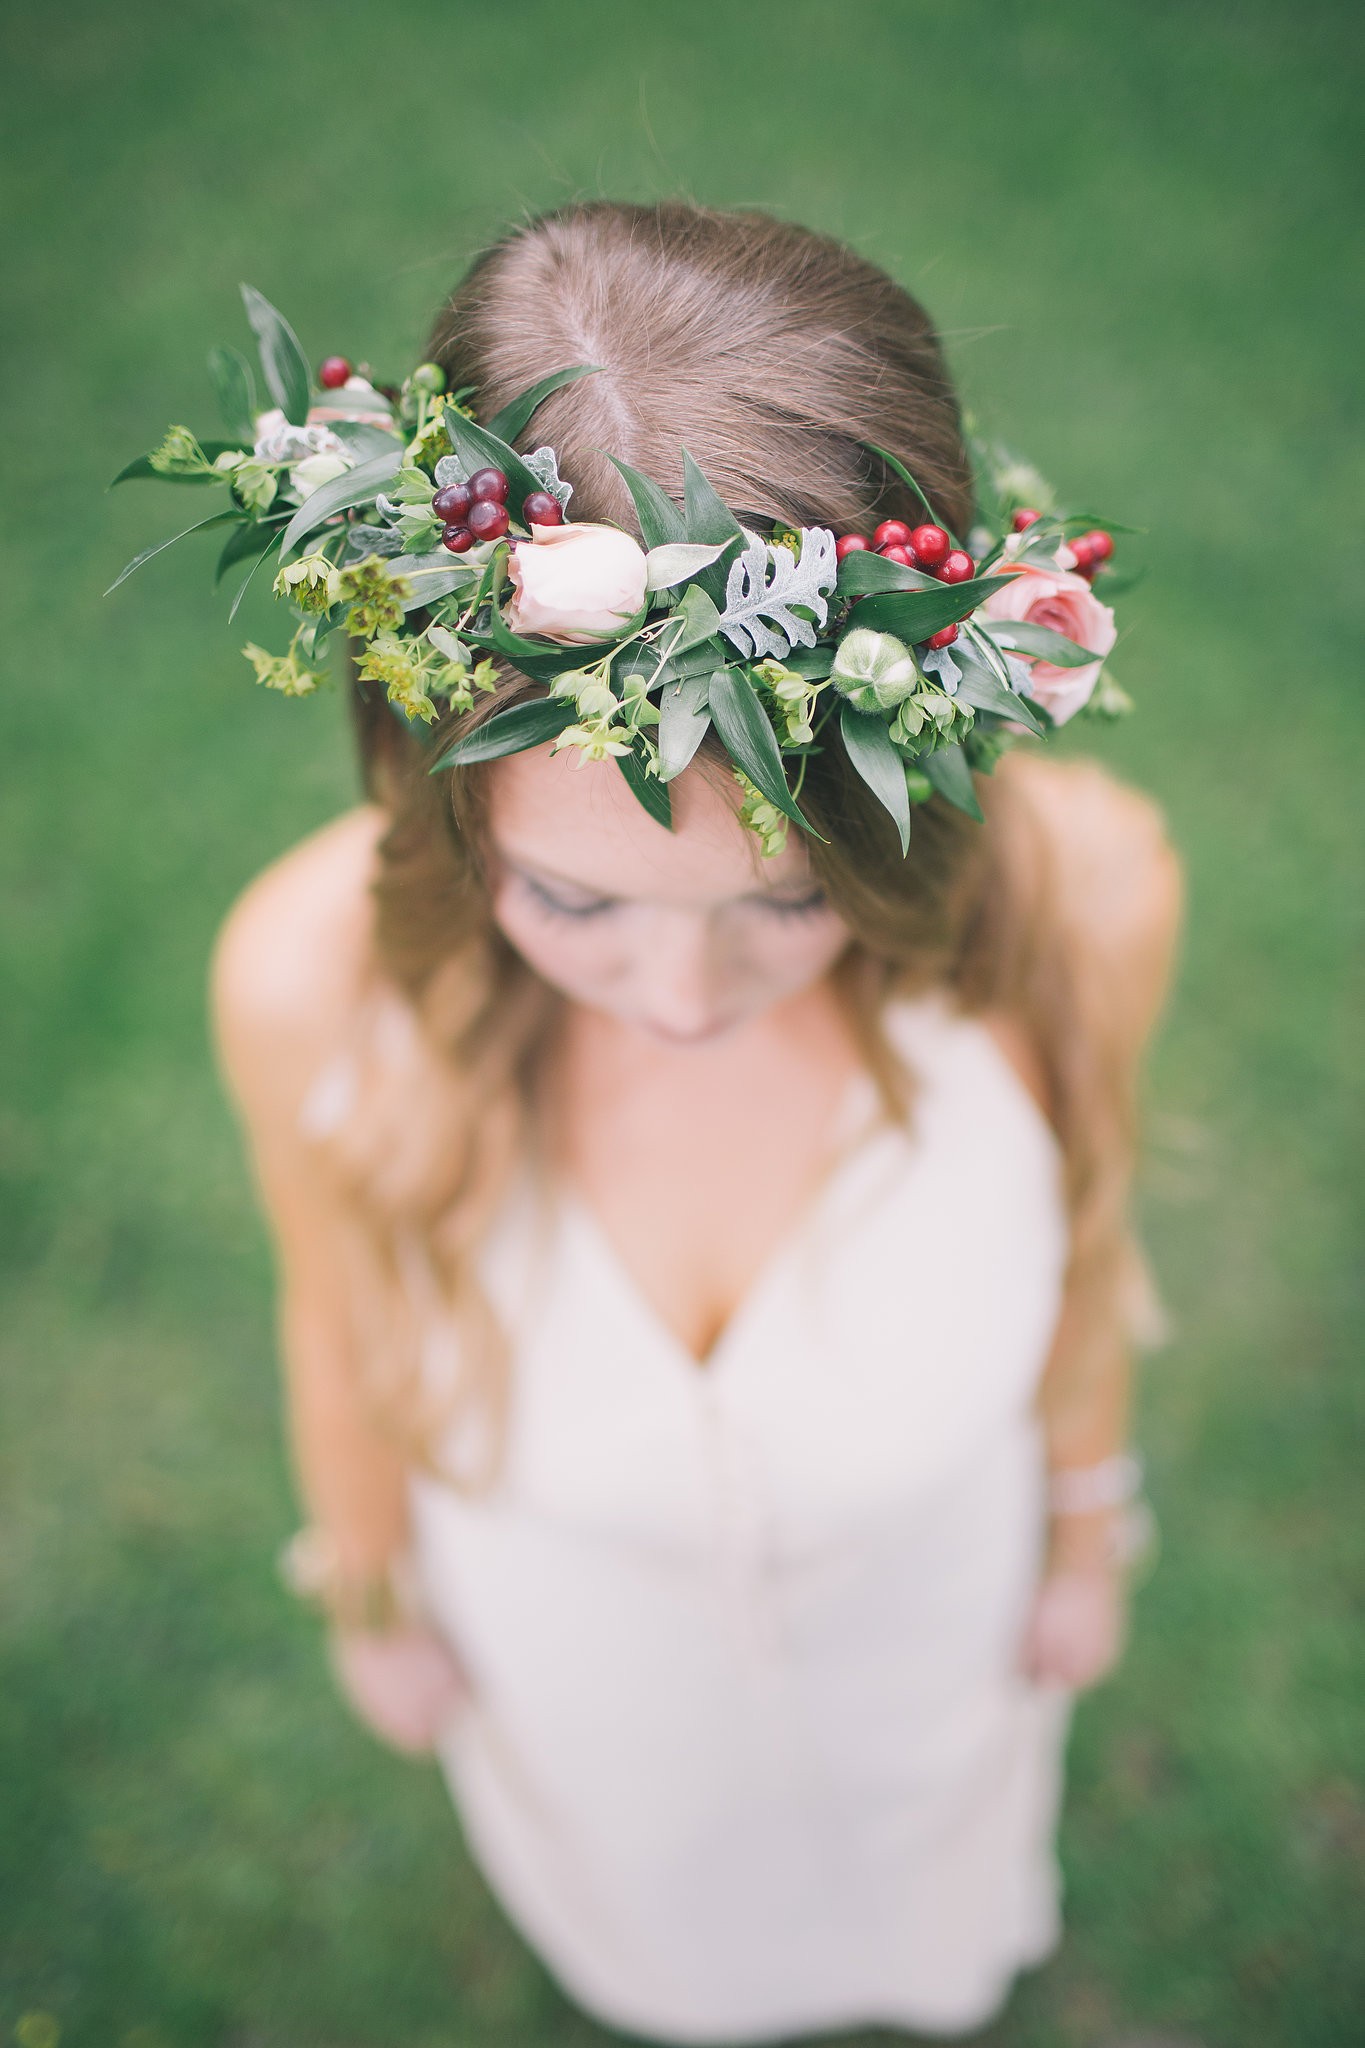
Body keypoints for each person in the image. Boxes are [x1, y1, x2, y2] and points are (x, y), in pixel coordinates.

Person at [210, 202, 1182, 2041]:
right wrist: (370, 1596)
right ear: (427, 764)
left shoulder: (1081, 904)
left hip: (928, 1642)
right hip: (583, 1672)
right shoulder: (308, 984)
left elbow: (1090, 1229)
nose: (674, 1002)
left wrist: (1079, 1532)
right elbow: (332, 1310)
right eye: (571, 901)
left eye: (789, 903)